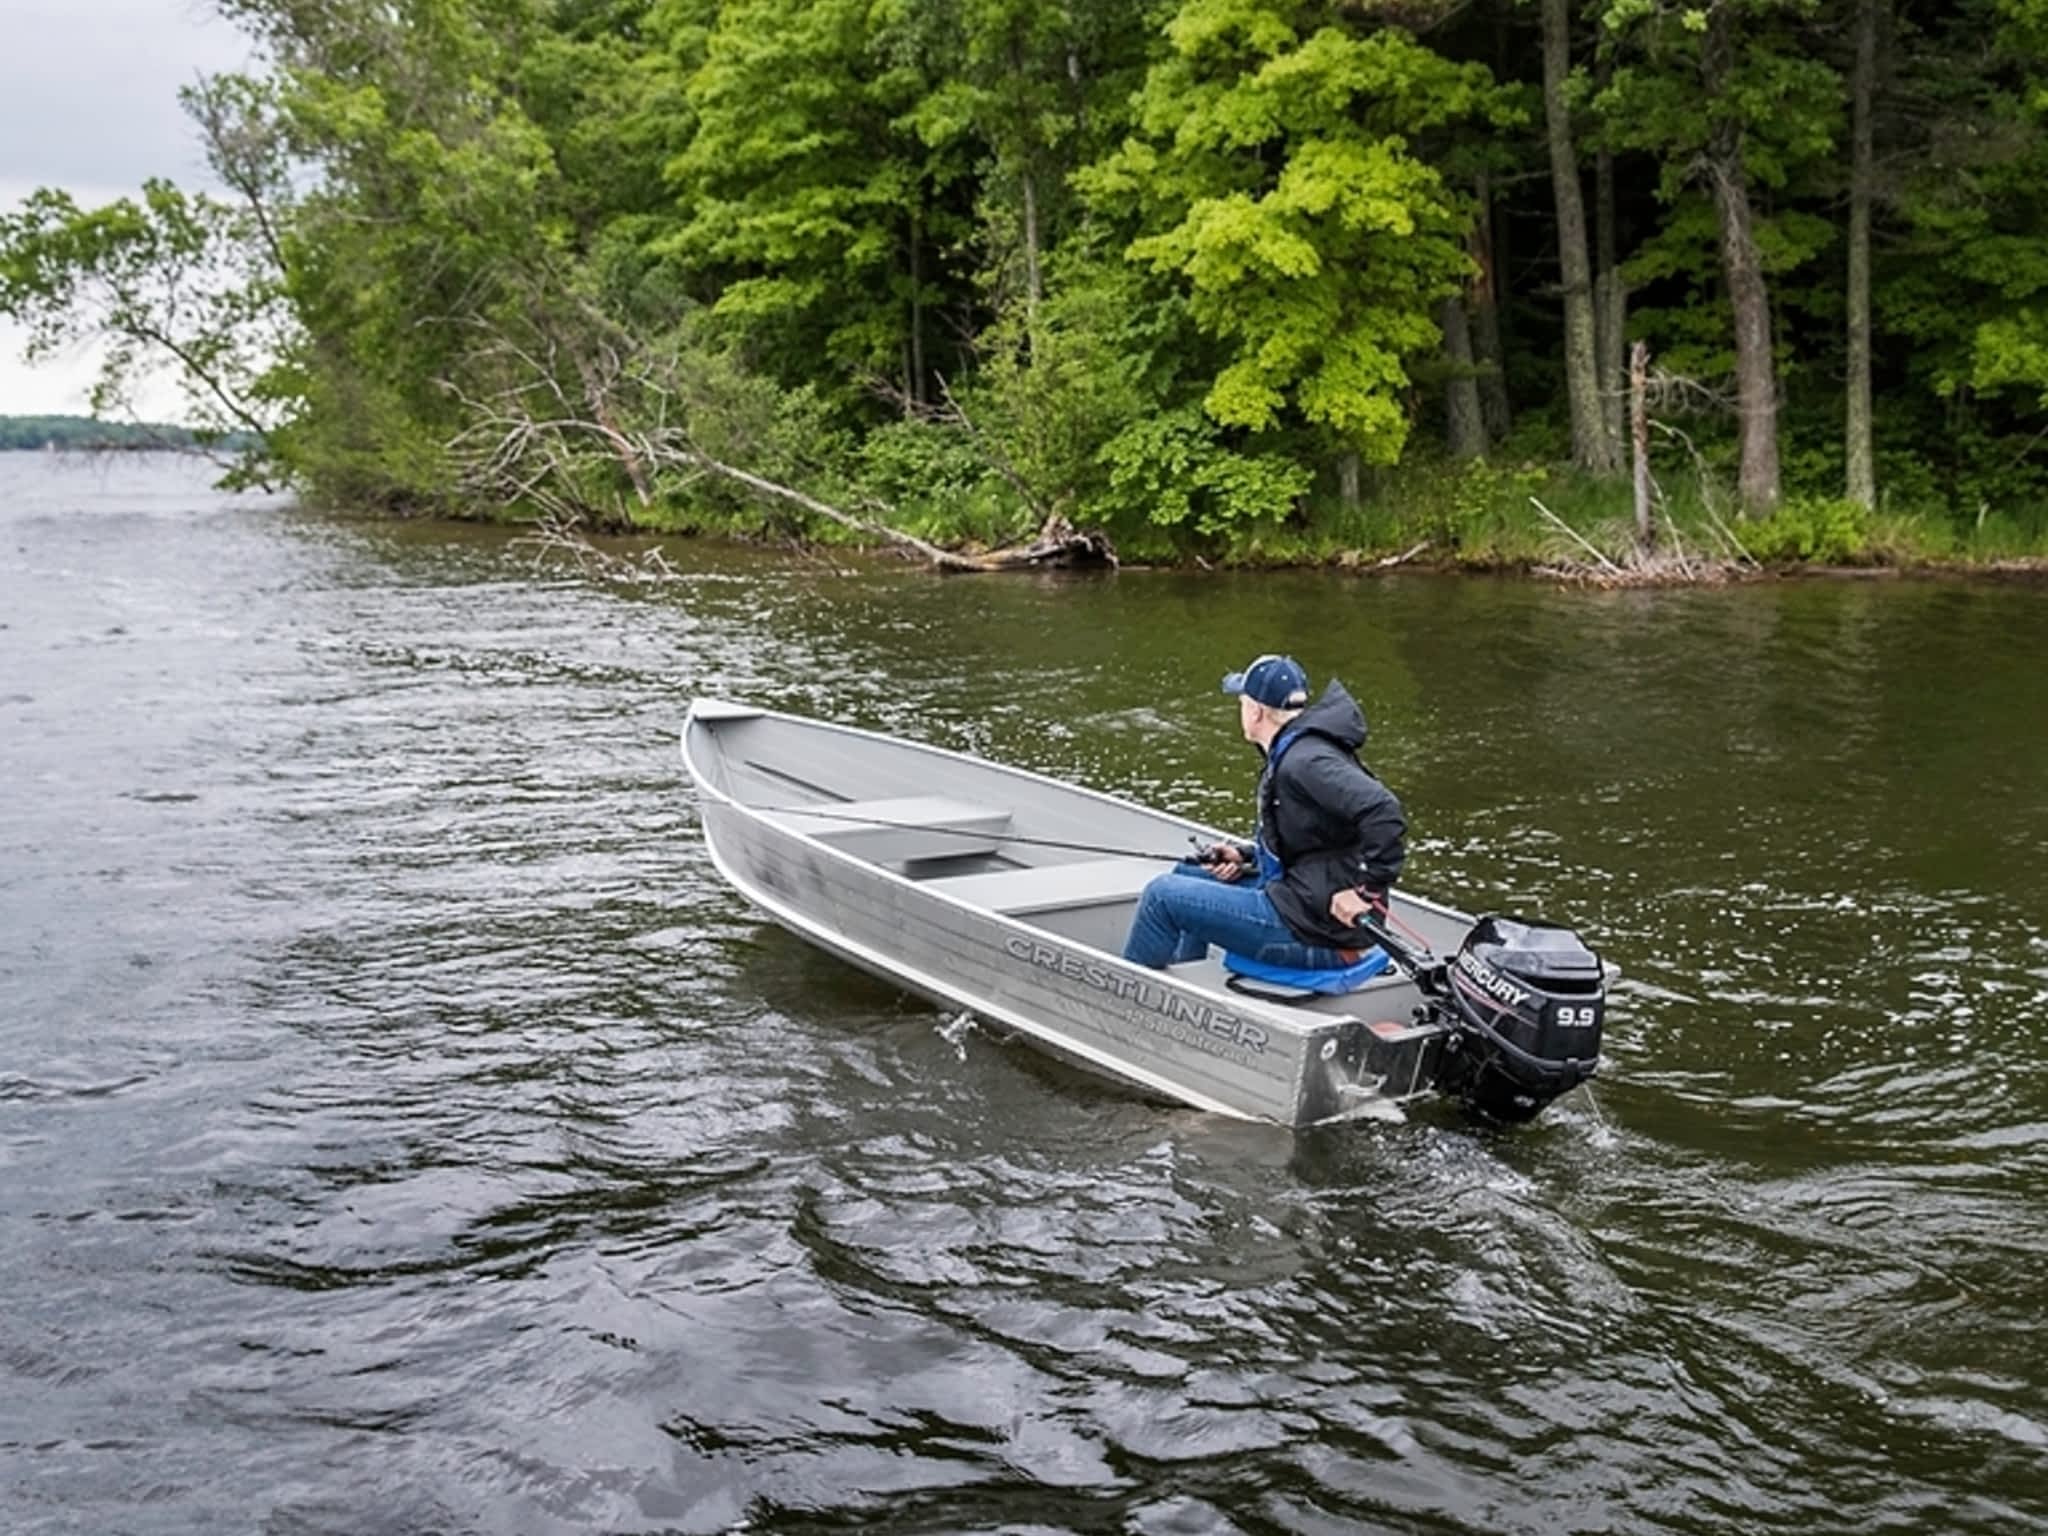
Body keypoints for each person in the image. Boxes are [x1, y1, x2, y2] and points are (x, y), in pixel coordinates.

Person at [1121, 654, 1407, 971]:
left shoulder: (1305, 762)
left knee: (1162, 895)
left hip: (1319, 934)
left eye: (1242, 701)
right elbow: (1319, 844)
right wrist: (1248, 857)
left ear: (1255, 711)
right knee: (1188, 874)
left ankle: (1124, 1004)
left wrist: (1368, 893)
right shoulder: (1297, 750)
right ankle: (1189, 985)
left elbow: (1384, 811)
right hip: (1310, 906)